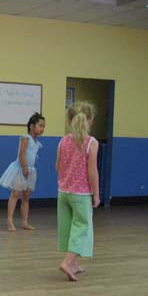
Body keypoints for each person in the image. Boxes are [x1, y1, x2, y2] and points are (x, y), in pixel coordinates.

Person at [56, 101, 100, 281]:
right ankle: (67, 262)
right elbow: (92, 172)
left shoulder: (63, 140)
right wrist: (96, 194)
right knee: (82, 227)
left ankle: (74, 264)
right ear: (90, 120)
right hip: (81, 195)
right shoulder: (91, 142)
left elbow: (57, 166)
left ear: (70, 121)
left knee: (68, 228)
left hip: (63, 192)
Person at [0, 113, 45, 231]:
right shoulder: (25, 138)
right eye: (40, 125)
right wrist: (24, 168)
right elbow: (21, 154)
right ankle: (9, 220)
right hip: (21, 169)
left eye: (43, 126)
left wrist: (29, 170)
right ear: (32, 126)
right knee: (15, 194)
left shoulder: (37, 143)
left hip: (31, 170)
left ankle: (25, 222)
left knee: (26, 196)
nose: (42, 128)